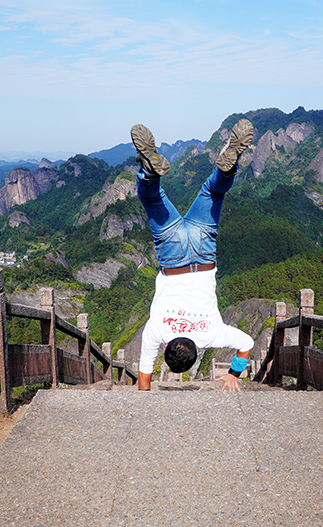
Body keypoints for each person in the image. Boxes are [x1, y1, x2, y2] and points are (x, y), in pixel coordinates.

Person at [132, 119, 255, 392]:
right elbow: (144, 376)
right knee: (152, 199)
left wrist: (234, 374)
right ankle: (149, 173)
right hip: (172, 255)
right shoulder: (157, 332)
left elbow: (247, 344)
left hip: (203, 253)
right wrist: (142, 403)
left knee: (212, 191)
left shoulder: (212, 334)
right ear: (167, 347)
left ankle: (227, 169)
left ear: (197, 351)